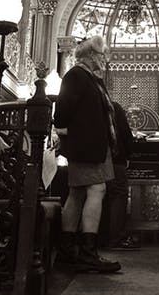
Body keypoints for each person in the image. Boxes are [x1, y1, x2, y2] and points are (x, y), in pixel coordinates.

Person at [53, 35, 121, 274]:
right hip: (86, 146)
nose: (105, 59)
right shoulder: (76, 75)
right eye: (103, 54)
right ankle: (87, 253)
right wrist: (76, 135)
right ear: (91, 55)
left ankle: (67, 251)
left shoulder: (91, 78)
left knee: (77, 193)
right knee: (96, 189)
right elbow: (61, 113)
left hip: (93, 146)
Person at [102, 100, 139, 250]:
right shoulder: (113, 107)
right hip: (116, 159)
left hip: (96, 160)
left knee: (100, 196)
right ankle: (116, 238)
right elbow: (125, 132)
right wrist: (128, 154)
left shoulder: (89, 107)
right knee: (118, 194)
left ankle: (100, 238)